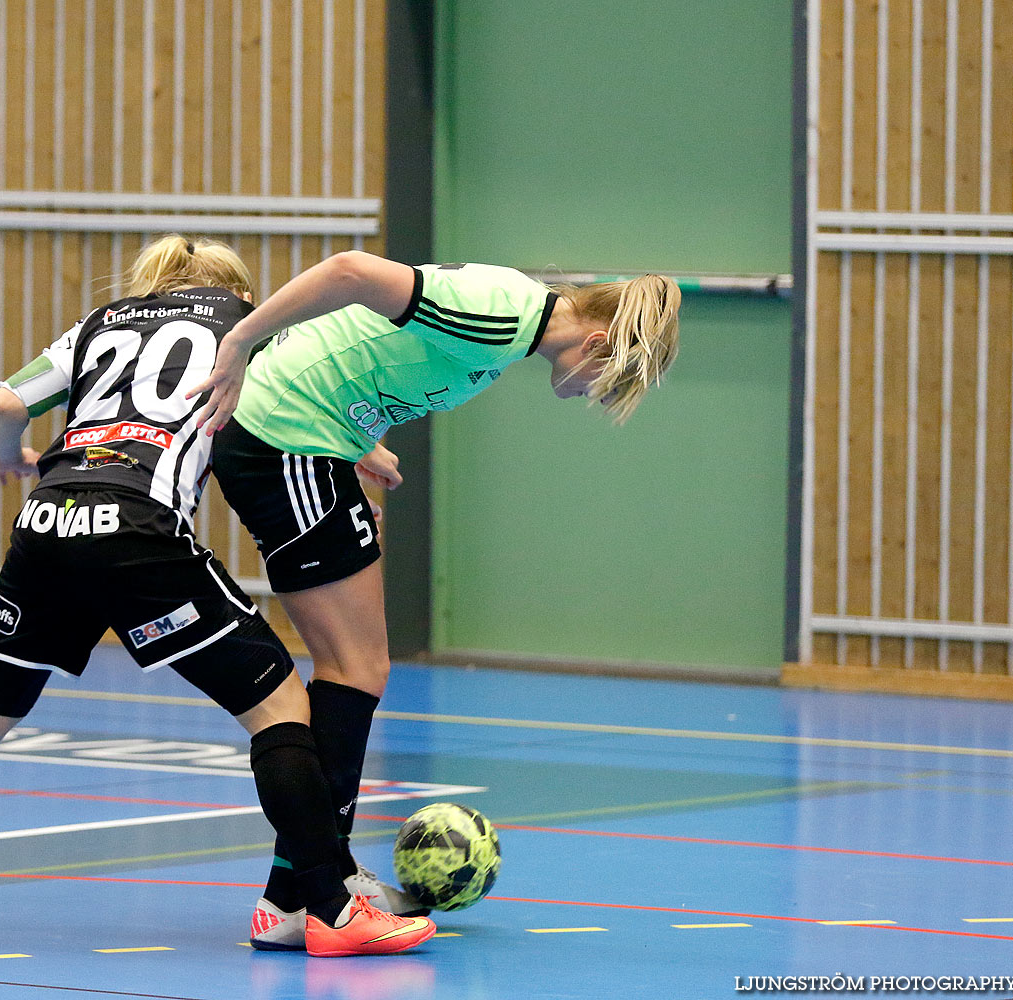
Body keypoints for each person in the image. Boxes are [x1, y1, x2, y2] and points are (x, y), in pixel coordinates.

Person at [0, 235, 436, 958]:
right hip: (138, 534)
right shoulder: (247, 325)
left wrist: (12, 460)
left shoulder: (103, 322)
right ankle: (329, 908)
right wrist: (357, 450)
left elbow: (5, 403)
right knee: (282, 707)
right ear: (242, 291)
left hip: (47, 523)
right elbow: (295, 415)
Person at [187, 252, 682, 941]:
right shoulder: (497, 312)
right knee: (355, 667)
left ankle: (310, 882)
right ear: (596, 342)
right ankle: (307, 896)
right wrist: (240, 342)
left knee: (355, 668)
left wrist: (359, 441)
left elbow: (372, 347)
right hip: (284, 438)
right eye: (612, 378)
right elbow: (351, 274)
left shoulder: (511, 328)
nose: (601, 395)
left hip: (309, 439)